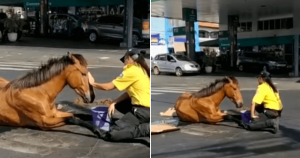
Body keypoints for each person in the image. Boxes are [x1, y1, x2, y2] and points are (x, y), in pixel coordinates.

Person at [88, 48, 150, 141]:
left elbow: (109, 86)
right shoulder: (141, 69)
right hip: (146, 109)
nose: (124, 63)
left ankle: (145, 129)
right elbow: (129, 94)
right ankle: (136, 121)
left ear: (128, 58)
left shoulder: (131, 70)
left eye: (124, 60)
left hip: (142, 111)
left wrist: (93, 83)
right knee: (119, 104)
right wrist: (114, 102)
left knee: (113, 133)